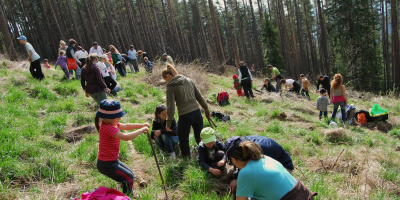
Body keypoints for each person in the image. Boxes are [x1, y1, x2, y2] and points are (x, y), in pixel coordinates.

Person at [224, 140, 316, 200]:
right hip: (304, 195)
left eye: (231, 162)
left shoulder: (246, 173)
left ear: (234, 159)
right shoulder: (265, 158)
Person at [95, 99, 150, 196]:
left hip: (111, 161)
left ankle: (126, 194)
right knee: (128, 178)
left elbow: (126, 126)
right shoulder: (109, 128)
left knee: (130, 175)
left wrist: (141, 125)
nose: (120, 118)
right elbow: (126, 137)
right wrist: (141, 130)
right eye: (118, 116)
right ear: (110, 118)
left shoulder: (110, 124)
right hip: (106, 164)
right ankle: (127, 196)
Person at [162, 65, 210, 158]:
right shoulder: (189, 80)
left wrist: (168, 124)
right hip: (197, 113)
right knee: (200, 137)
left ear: (168, 76)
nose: (166, 82)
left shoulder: (171, 86)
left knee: (183, 140)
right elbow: (200, 97)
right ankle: (207, 156)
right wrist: (207, 110)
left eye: (165, 80)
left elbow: (171, 108)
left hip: (185, 116)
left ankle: (186, 161)